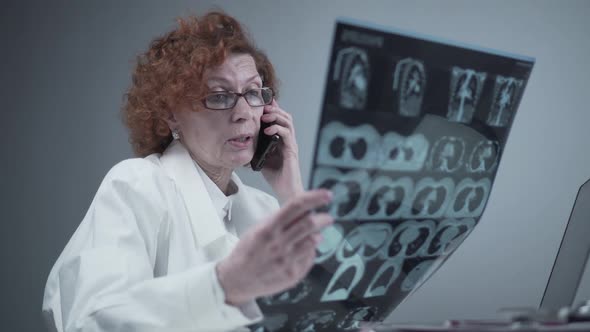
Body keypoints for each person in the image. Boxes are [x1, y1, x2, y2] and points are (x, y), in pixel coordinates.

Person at [42, 11, 333, 332]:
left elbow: (336, 311)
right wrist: (223, 286)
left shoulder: (264, 208)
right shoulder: (137, 185)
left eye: (253, 93)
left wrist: (292, 193)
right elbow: (92, 322)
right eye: (219, 96)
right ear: (171, 115)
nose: (244, 114)